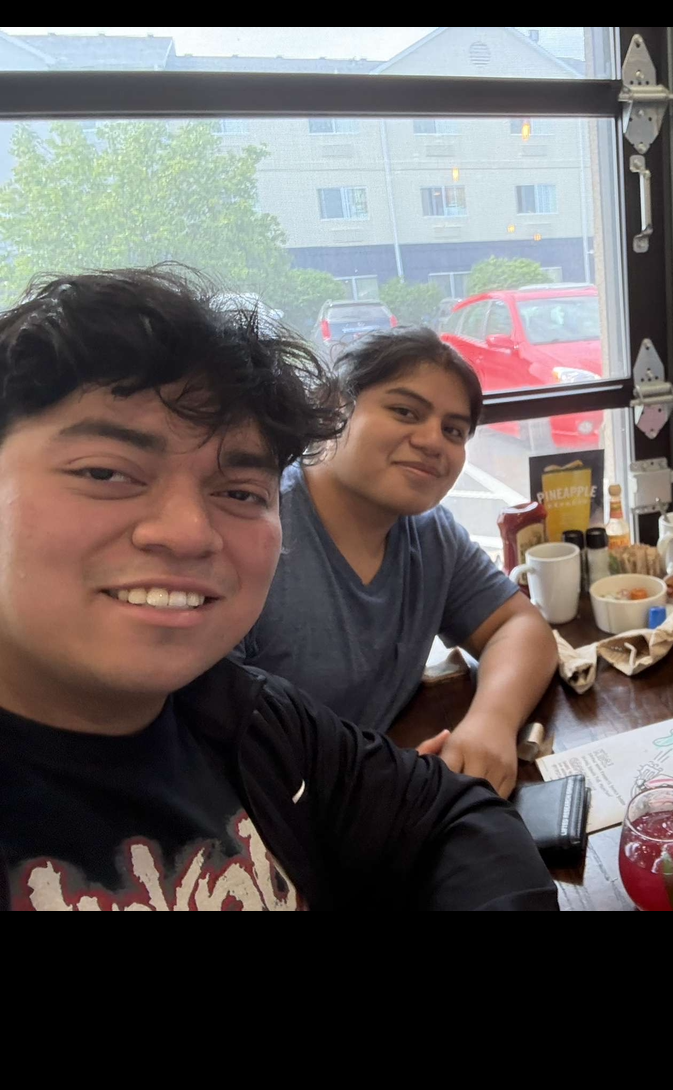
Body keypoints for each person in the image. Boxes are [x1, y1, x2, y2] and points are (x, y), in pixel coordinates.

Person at [0, 270, 560, 910]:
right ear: (338, 410)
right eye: (105, 472)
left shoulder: (252, 717)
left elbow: (452, 807)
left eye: (239, 492)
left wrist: (489, 725)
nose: (189, 533)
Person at [233, 326, 559, 797]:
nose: (433, 441)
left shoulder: (429, 533)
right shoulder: (252, 531)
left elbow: (520, 626)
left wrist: (491, 723)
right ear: (334, 406)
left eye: (453, 430)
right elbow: (198, 741)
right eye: (405, 411)